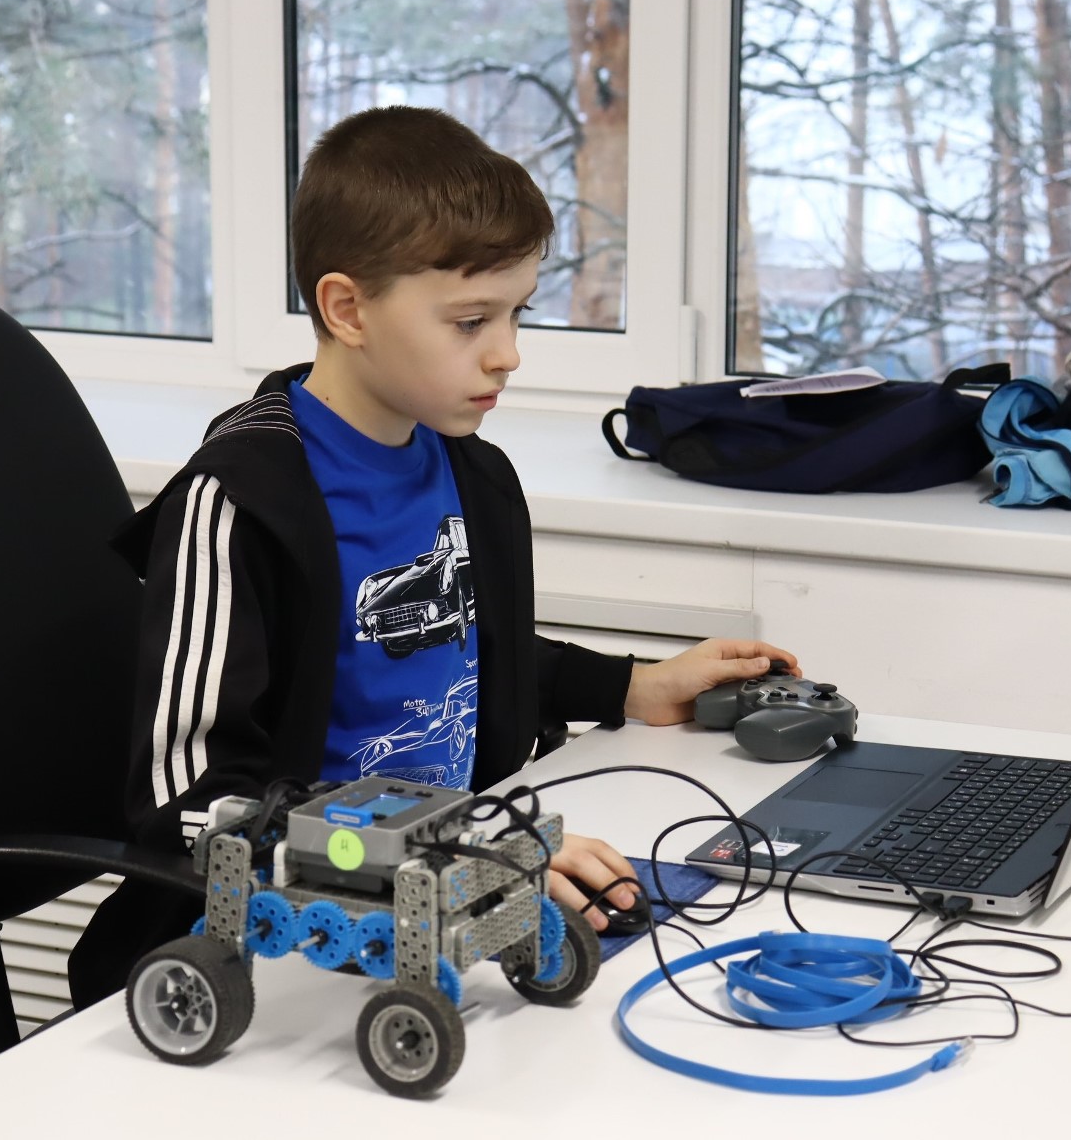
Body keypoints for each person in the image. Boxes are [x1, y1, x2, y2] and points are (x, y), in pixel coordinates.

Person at [68, 106, 798, 1006]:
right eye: (470, 320)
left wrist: (633, 685)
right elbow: (189, 803)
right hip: (267, 951)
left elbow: (446, 654)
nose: (509, 354)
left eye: (517, 313)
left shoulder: (469, 471)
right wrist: (463, 846)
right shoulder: (240, 502)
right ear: (347, 309)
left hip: (430, 906)